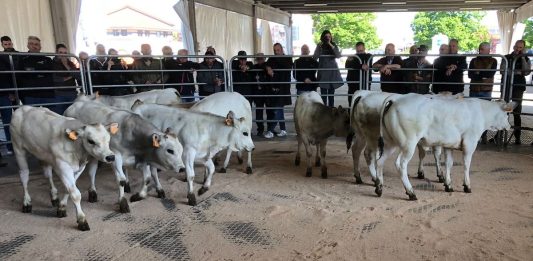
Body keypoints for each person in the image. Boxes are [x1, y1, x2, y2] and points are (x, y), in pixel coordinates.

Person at [504, 40, 531, 145]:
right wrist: (517, 72)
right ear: (514, 46)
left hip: (518, 88)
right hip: (506, 86)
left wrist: (523, 58)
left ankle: (517, 137)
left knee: (516, 112)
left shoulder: (526, 58)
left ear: (523, 48)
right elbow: (503, 70)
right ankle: (499, 135)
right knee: (503, 110)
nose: (518, 49)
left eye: (520, 48)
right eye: (516, 47)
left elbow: (526, 72)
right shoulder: (506, 57)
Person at [17, 36, 55, 111]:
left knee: (51, 118)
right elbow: (20, 76)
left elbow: (50, 73)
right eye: (31, 44)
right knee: (32, 119)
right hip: (30, 95)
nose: (34, 46)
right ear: (28, 46)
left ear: (40, 47)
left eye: (36, 44)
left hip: (47, 93)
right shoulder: (22, 60)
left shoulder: (47, 59)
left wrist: (33, 71)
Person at [264, 43, 293, 138]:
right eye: (275, 50)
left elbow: (286, 69)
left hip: (283, 87)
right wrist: (268, 68)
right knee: (279, 109)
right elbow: (266, 64)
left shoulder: (287, 59)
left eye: (278, 50)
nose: (276, 52)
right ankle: (283, 129)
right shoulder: (272, 59)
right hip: (274, 88)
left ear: (282, 49)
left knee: (277, 109)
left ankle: (270, 130)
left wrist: (273, 72)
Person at [313, 30, 342, 106]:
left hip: (332, 73)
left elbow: (338, 55)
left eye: (329, 36)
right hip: (323, 74)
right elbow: (315, 57)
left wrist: (330, 44)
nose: (328, 38)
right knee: (323, 96)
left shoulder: (333, 45)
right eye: (326, 37)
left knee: (331, 96)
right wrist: (320, 47)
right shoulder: (320, 45)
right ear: (323, 37)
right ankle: (324, 112)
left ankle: (331, 112)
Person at [0, 36, 17, 154]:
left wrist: (10, 92)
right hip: (6, 92)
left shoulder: (18, 55)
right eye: (6, 44)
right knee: (7, 121)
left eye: (9, 44)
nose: (8, 46)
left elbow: (6, 76)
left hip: (12, 91)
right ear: (2, 45)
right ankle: (10, 147)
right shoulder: (1, 56)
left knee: (19, 118)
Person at [52, 44, 78, 114]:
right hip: (58, 94)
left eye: (65, 53)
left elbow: (77, 76)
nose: (63, 55)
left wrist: (66, 65)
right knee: (59, 115)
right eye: (60, 52)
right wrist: (70, 76)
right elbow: (55, 79)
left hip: (72, 93)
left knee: (73, 115)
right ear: (56, 53)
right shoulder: (52, 63)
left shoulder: (70, 63)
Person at [345, 41, 372, 107]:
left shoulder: (369, 56)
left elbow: (367, 62)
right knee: (352, 102)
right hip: (353, 84)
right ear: (356, 49)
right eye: (358, 51)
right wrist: (361, 66)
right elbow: (347, 65)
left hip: (365, 83)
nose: (359, 53)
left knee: (365, 102)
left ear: (364, 49)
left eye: (361, 51)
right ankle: (351, 116)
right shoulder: (353, 57)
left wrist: (358, 64)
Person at [251, 53, 269, 136]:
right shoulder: (254, 67)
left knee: (270, 111)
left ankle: (270, 129)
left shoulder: (268, 66)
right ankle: (260, 129)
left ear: (264, 59)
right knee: (259, 112)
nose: (260, 60)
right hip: (257, 92)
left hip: (267, 92)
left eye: (261, 59)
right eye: (258, 59)